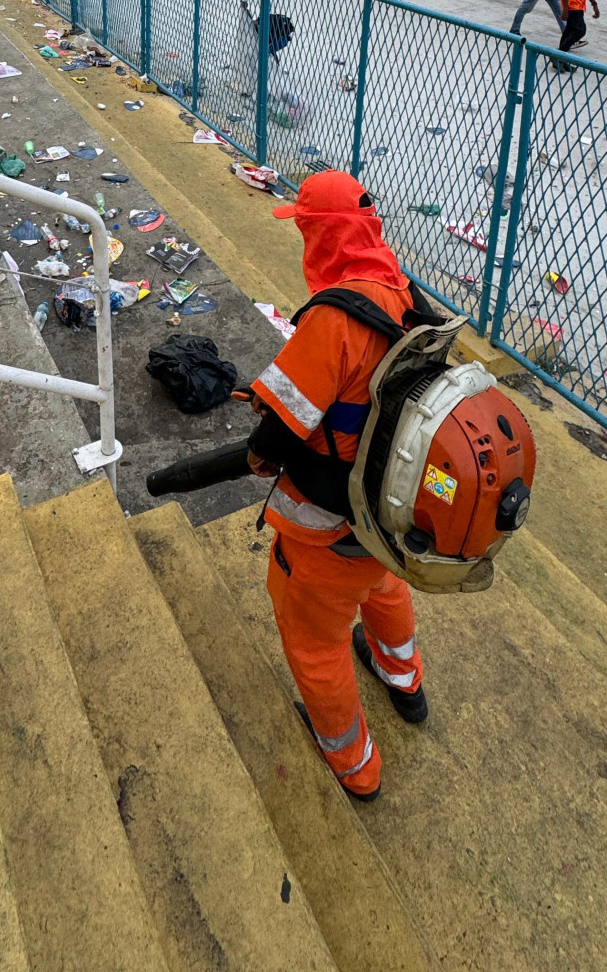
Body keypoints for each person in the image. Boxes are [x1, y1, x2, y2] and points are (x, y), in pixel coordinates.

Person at [244, 170, 427, 801]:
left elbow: (280, 429)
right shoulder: (404, 294)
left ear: (320, 235)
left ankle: (356, 766)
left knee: (315, 642)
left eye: (304, 228)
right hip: (385, 515)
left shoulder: (332, 319)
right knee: (382, 582)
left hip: (328, 524)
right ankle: (404, 680)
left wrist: (259, 448)